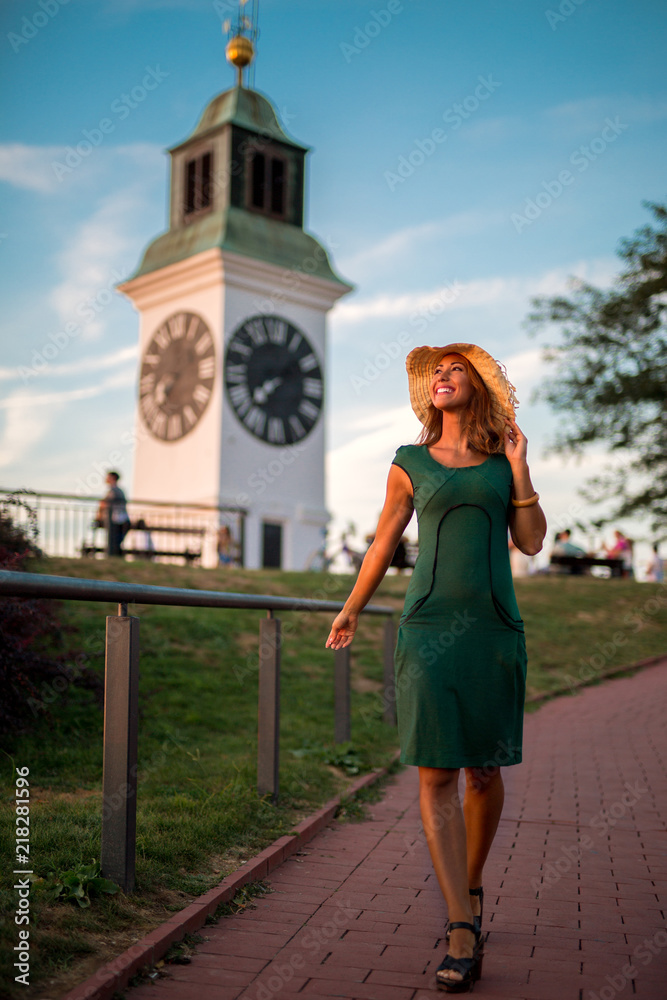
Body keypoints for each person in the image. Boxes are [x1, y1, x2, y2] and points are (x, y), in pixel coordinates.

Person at [326, 344, 546, 992]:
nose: (443, 377)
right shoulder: (409, 462)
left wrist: (519, 464)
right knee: (435, 774)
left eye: (456, 370)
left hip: (492, 631)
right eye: (437, 373)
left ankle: (471, 883)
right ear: (429, 394)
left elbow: (530, 541)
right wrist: (350, 609)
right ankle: (458, 923)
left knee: (484, 772)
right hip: (425, 630)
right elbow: (383, 540)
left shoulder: (500, 466)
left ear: (475, 388)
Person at [97, 471, 130, 557]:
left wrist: (100, 514)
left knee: (114, 543)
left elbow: (105, 504)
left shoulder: (114, 491)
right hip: (118, 519)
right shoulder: (116, 490)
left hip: (116, 520)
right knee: (115, 543)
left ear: (113, 478)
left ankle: (113, 557)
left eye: (108, 477)